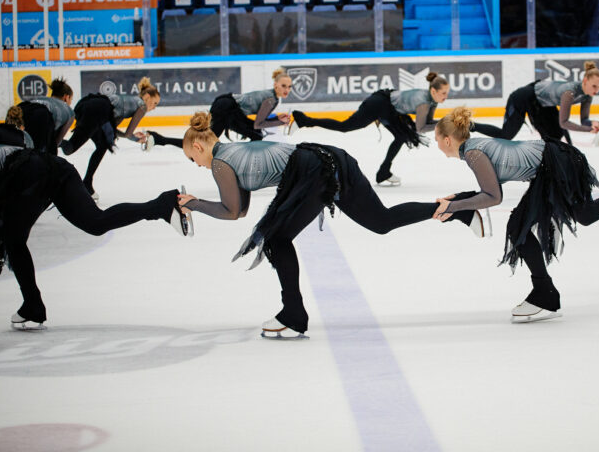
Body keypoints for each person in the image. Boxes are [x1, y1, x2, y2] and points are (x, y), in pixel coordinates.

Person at [176, 111, 485, 338]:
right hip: (329, 158)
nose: (197, 164)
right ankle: (458, 207)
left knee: (276, 239)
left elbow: (231, 212)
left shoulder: (219, 162)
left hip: (313, 170)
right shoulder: (231, 153)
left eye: (193, 159)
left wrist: (194, 204)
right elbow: (241, 209)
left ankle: (293, 313)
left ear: (200, 148)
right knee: (382, 221)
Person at [433, 107, 599, 323]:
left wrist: (451, 207)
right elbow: (491, 189)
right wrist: (457, 201)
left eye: (436, 140)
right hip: (553, 162)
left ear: (447, 140)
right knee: (581, 215)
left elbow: (493, 197)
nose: (437, 144)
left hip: (555, 164)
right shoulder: (473, 148)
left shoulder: (473, 152)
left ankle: (545, 294)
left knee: (520, 227)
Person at [0, 145, 191, 331]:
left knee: (14, 239)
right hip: (55, 168)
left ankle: (33, 305)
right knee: (95, 223)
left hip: (32, 175)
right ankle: (162, 205)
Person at [291, 72, 450, 186]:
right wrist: (446, 122)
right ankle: (305, 120)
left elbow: (426, 122)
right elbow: (421, 127)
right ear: (433, 91)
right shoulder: (424, 101)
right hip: (379, 104)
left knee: (401, 136)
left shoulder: (432, 100)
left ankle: (383, 172)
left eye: (447, 93)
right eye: (444, 93)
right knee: (345, 127)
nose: (446, 97)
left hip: (389, 107)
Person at [145, 68, 294, 150]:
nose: (287, 89)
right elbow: (258, 124)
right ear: (275, 85)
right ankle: (159, 139)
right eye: (283, 86)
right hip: (227, 108)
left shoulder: (272, 97)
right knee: (205, 142)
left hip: (228, 105)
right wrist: (279, 122)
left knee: (255, 135)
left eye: (289, 87)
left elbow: (257, 123)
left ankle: (159, 139)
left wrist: (276, 120)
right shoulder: (271, 99)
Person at [60, 77, 160, 198]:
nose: (154, 107)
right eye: (155, 103)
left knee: (102, 146)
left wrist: (133, 136)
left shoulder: (127, 102)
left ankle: (87, 183)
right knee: (69, 148)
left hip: (88, 104)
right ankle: (53, 141)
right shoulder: (142, 106)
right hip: (95, 110)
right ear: (147, 97)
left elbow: (113, 130)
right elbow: (128, 134)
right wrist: (136, 139)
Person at [470, 60, 599, 142]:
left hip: (542, 102)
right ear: (585, 81)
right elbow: (564, 123)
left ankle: (547, 168)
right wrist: (587, 129)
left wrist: (592, 123)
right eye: (594, 86)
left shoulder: (588, 95)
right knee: (505, 135)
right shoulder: (569, 93)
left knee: (554, 135)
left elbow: (584, 120)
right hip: (524, 97)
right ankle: (472, 126)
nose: (596, 90)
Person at [18, 78, 75, 155]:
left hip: (22, 112)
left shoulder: (37, 98)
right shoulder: (69, 111)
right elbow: (55, 142)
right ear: (66, 97)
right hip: (41, 124)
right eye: (71, 99)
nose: (70, 103)